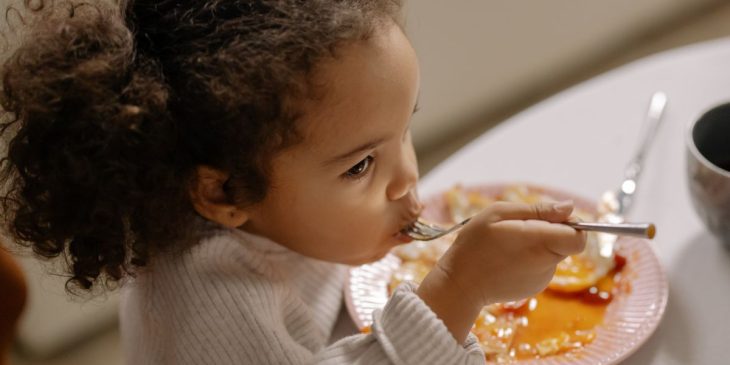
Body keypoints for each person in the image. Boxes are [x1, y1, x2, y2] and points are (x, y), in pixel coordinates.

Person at [0, 0, 586, 364]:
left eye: (404, 128)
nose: (407, 178)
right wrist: (457, 292)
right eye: (360, 166)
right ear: (225, 194)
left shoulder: (288, 216)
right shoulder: (212, 306)